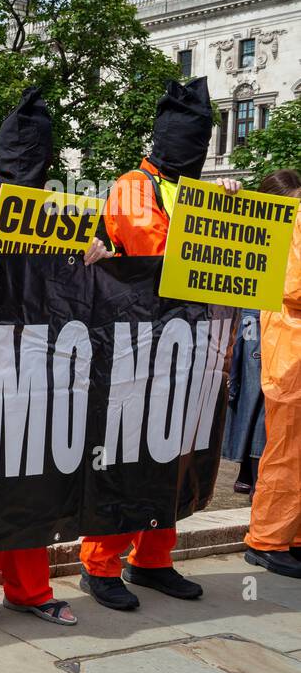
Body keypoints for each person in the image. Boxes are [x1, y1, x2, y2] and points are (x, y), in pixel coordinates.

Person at [0, 87, 110, 632]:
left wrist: (99, 254)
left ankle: (31, 589)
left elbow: (96, 283)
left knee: (32, 477)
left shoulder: (68, 209)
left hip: (45, 366)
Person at [79, 76, 242, 610]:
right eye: (189, 140)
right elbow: (162, 252)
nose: (195, 152)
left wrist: (226, 212)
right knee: (130, 454)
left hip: (193, 345)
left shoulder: (191, 190)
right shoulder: (132, 185)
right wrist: (215, 220)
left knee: (178, 454)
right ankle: (99, 564)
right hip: (138, 344)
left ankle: (153, 559)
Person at [244, 169, 301, 577]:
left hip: (291, 352)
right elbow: (294, 287)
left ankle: (288, 536)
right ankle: (267, 539)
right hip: (289, 357)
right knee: (286, 452)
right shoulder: (283, 227)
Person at [221, 307, 266, 493]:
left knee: (253, 391)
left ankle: (248, 474)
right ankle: (255, 477)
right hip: (271, 311)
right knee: (264, 395)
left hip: (256, 309)